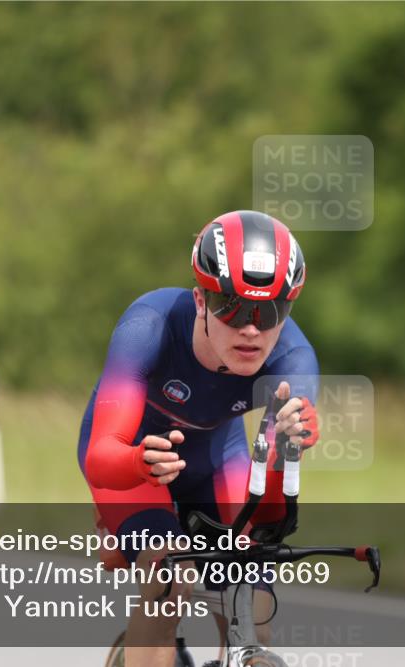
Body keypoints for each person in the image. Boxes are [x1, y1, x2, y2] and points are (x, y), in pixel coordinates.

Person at [76, 210, 320, 667]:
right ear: (201, 300)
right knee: (170, 576)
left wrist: (287, 454)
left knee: (251, 598)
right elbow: (100, 456)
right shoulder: (148, 326)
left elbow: (268, 510)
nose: (250, 329)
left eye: (268, 311)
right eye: (231, 306)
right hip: (131, 460)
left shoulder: (293, 362)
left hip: (214, 458)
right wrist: (136, 465)